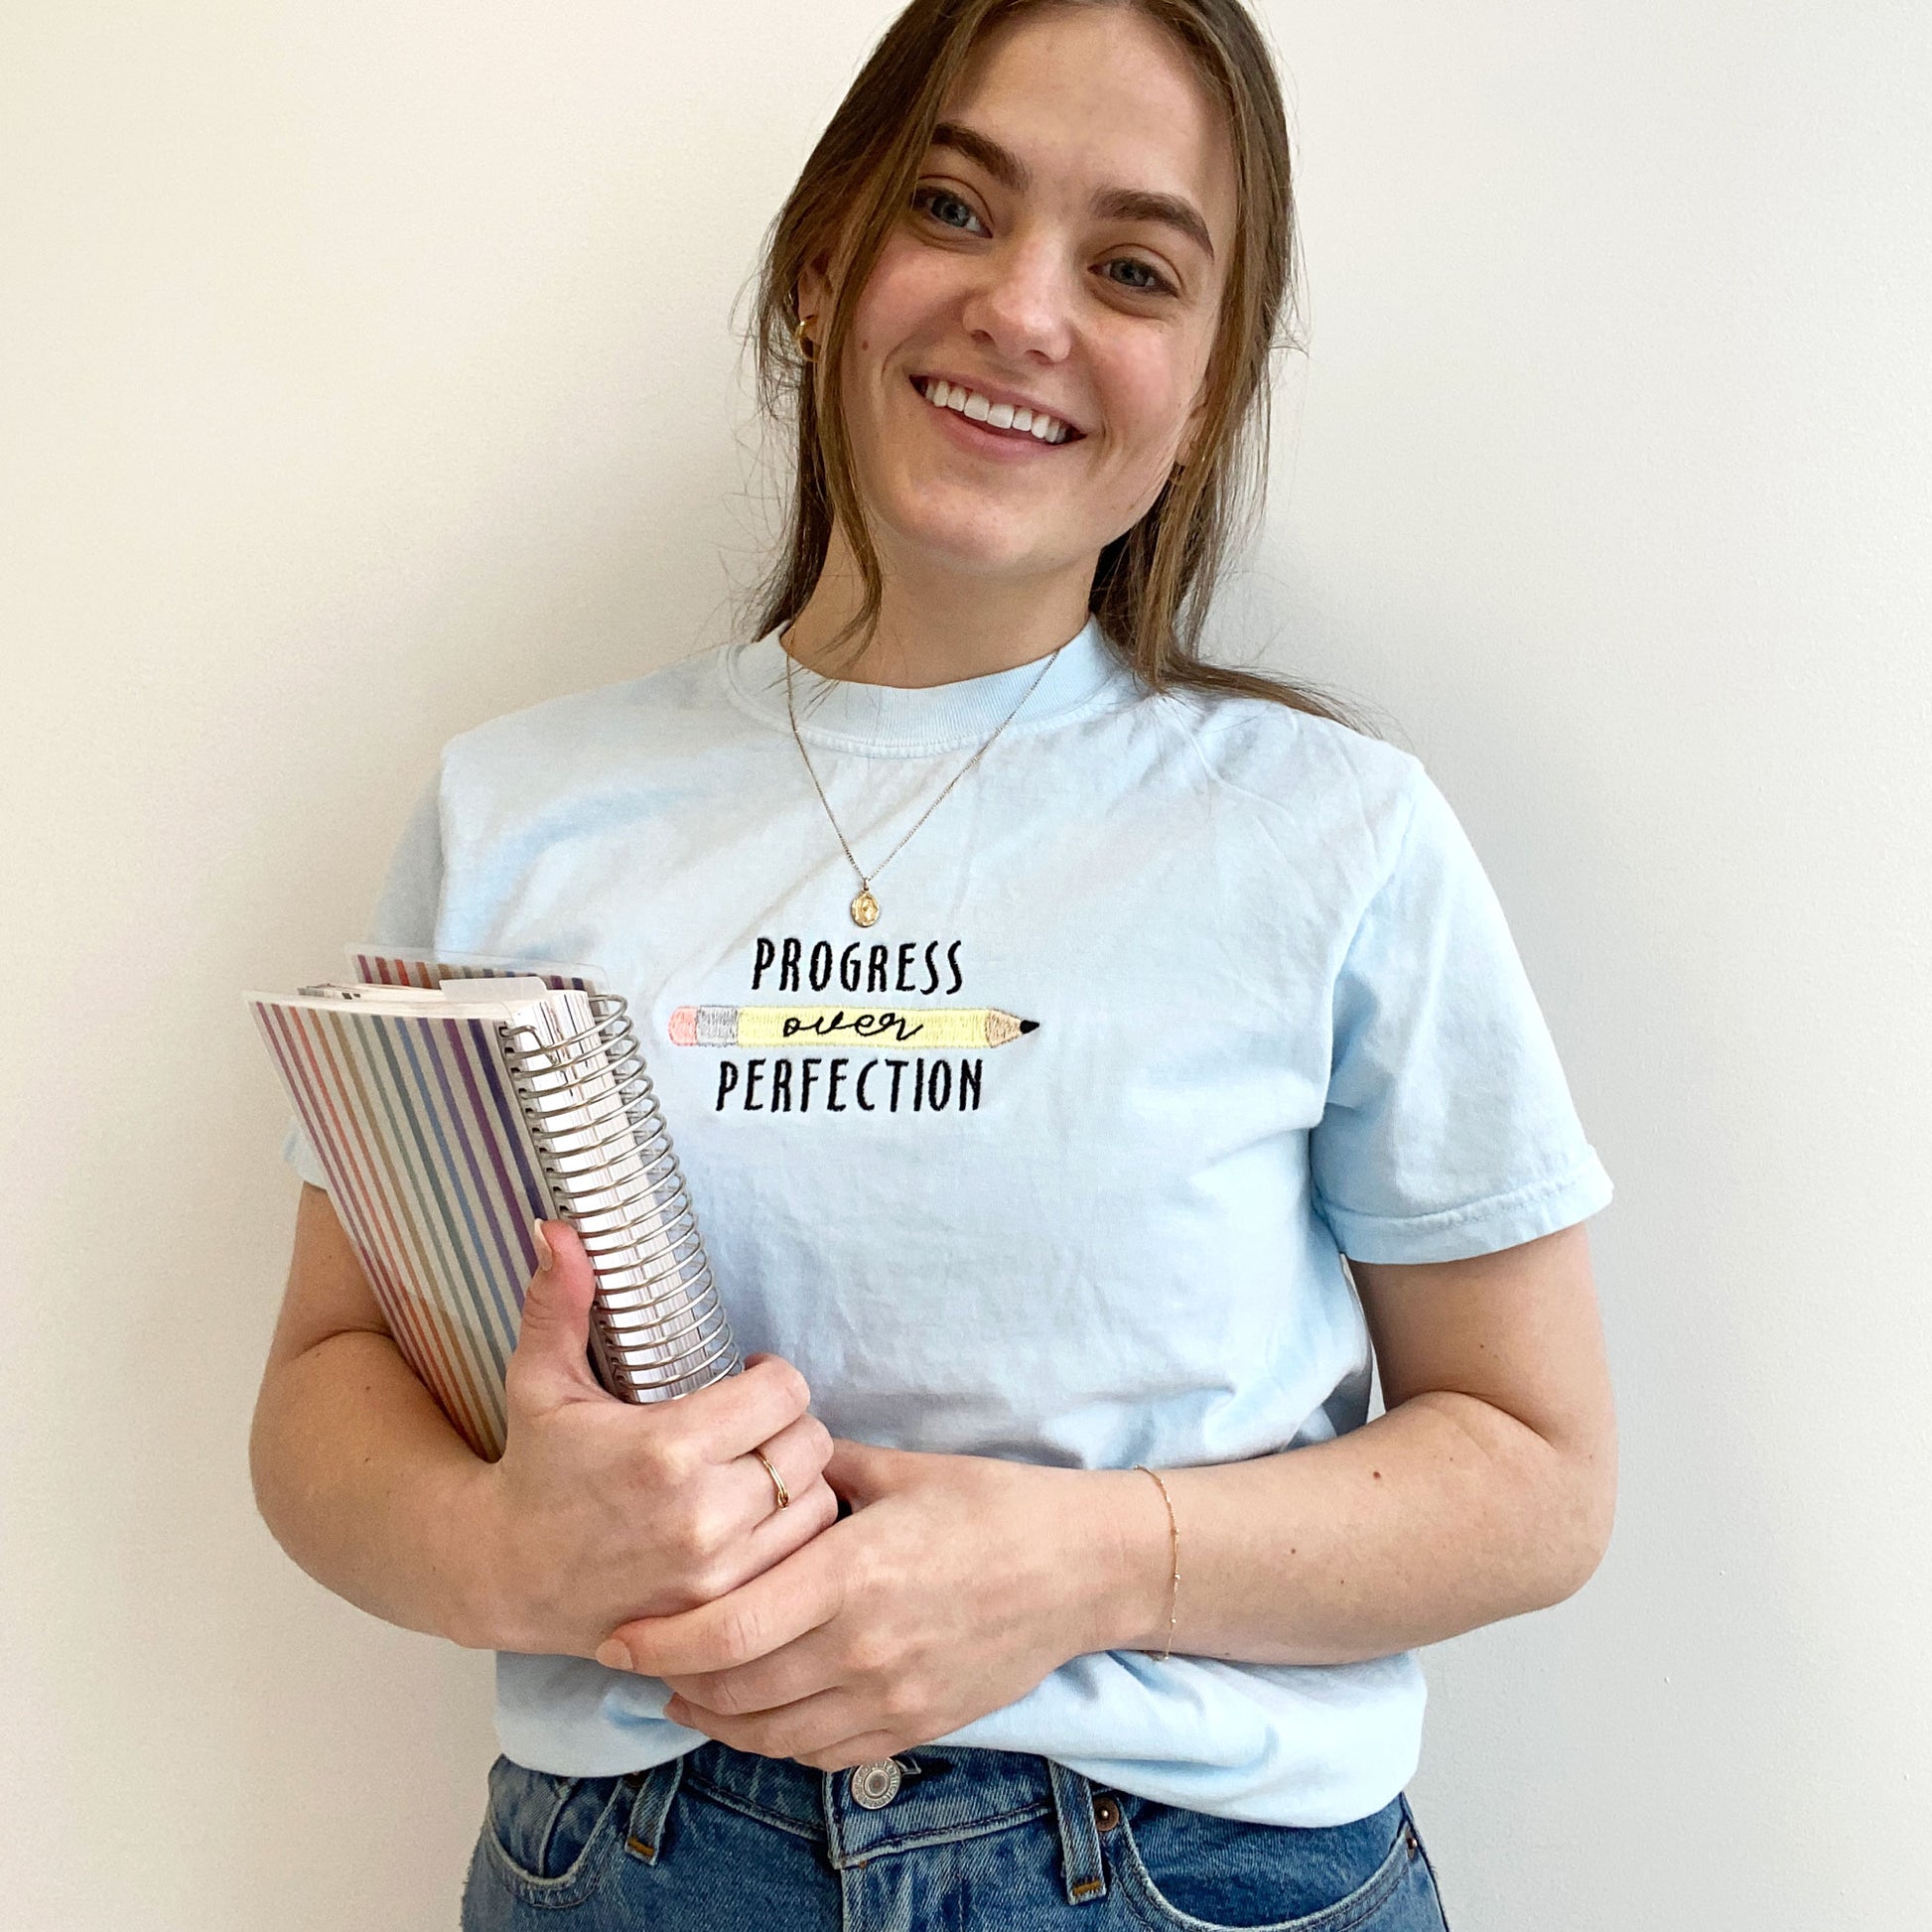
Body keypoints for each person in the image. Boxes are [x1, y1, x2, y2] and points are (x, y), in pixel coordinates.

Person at [250, 2, 1616, 1926]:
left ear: (1208, 384)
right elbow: (324, 1387)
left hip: (1195, 1870)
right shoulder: (519, 811)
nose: (1024, 311)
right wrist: (496, 1547)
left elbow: (1534, 1474)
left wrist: (1095, 1563)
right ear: (824, 262)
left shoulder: (1338, 831)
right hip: (641, 1867)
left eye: (1132, 265)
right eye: (954, 208)